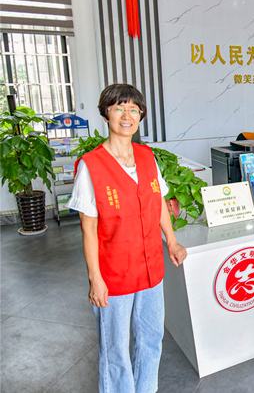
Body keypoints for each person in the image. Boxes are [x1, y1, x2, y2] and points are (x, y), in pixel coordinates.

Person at [67, 84, 187, 392]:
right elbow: (88, 229)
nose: (127, 116)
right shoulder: (91, 165)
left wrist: (171, 240)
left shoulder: (146, 156)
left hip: (150, 269)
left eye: (134, 109)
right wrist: (95, 279)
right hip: (114, 274)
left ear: (140, 116)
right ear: (106, 114)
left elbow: (159, 201)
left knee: (151, 339)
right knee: (115, 349)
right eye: (119, 108)